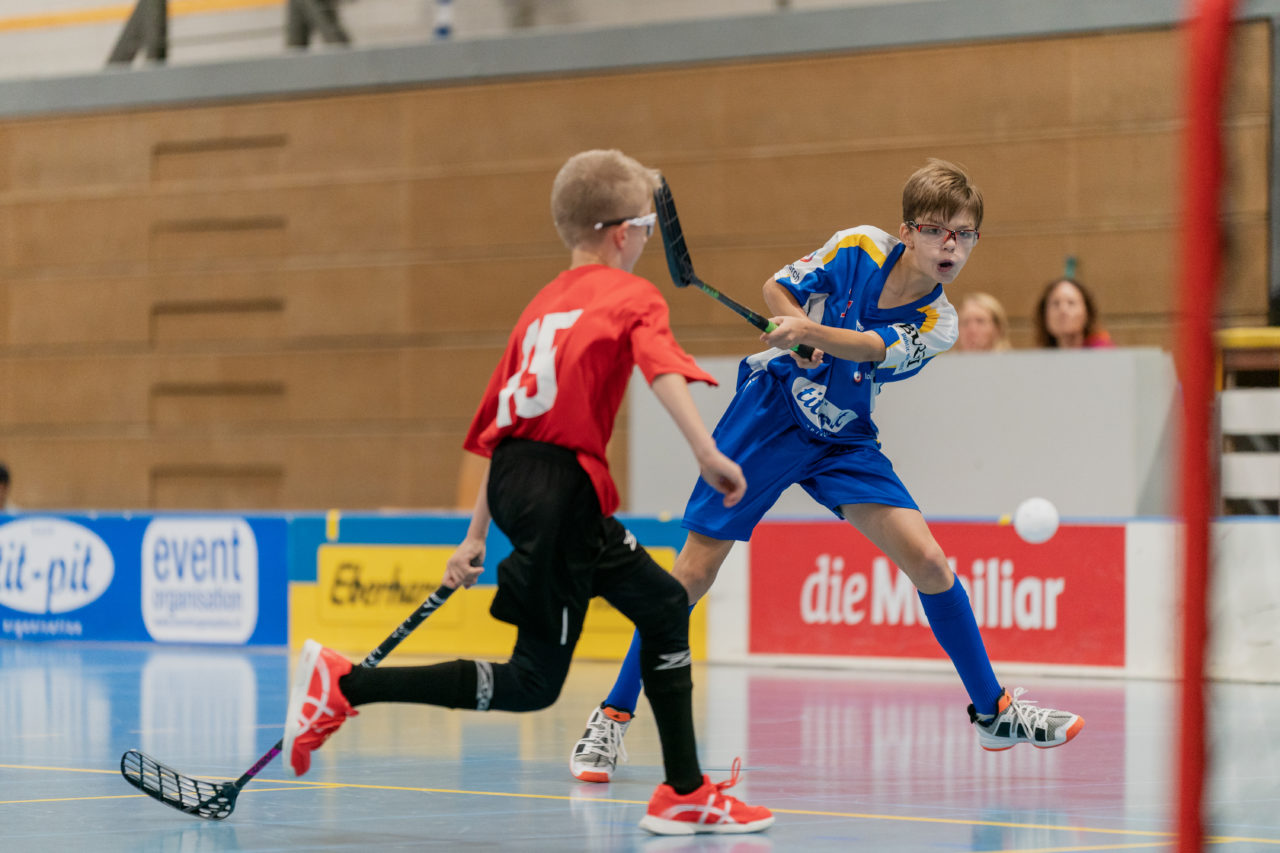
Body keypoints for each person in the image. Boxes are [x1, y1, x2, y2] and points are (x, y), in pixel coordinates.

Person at [282, 149, 773, 836]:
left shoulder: (541, 306)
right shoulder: (632, 295)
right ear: (620, 234)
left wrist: (475, 534)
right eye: (643, 228)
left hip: (518, 479)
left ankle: (684, 790)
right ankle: (345, 684)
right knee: (536, 681)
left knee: (662, 606)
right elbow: (661, 368)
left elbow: (500, 427)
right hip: (561, 488)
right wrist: (706, 450)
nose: (645, 241)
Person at [571, 158, 1085, 784]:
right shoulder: (858, 246)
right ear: (908, 231)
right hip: (769, 414)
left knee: (929, 562)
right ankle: (612, 715)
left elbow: (872, 348)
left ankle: (993, 713)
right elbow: (776, 289)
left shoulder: (941, 322)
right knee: (693, 573)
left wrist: (813, 331)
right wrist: (793, 330)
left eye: (964, 234)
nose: (950, 245)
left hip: (843, 435)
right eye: (935, 230)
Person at [1033, 277, 1114, 348]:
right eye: (1056, 304)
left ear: (1087, 313)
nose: (1063, 310)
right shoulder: (1040, 357)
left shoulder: (1103, 352)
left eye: (1071, 303)